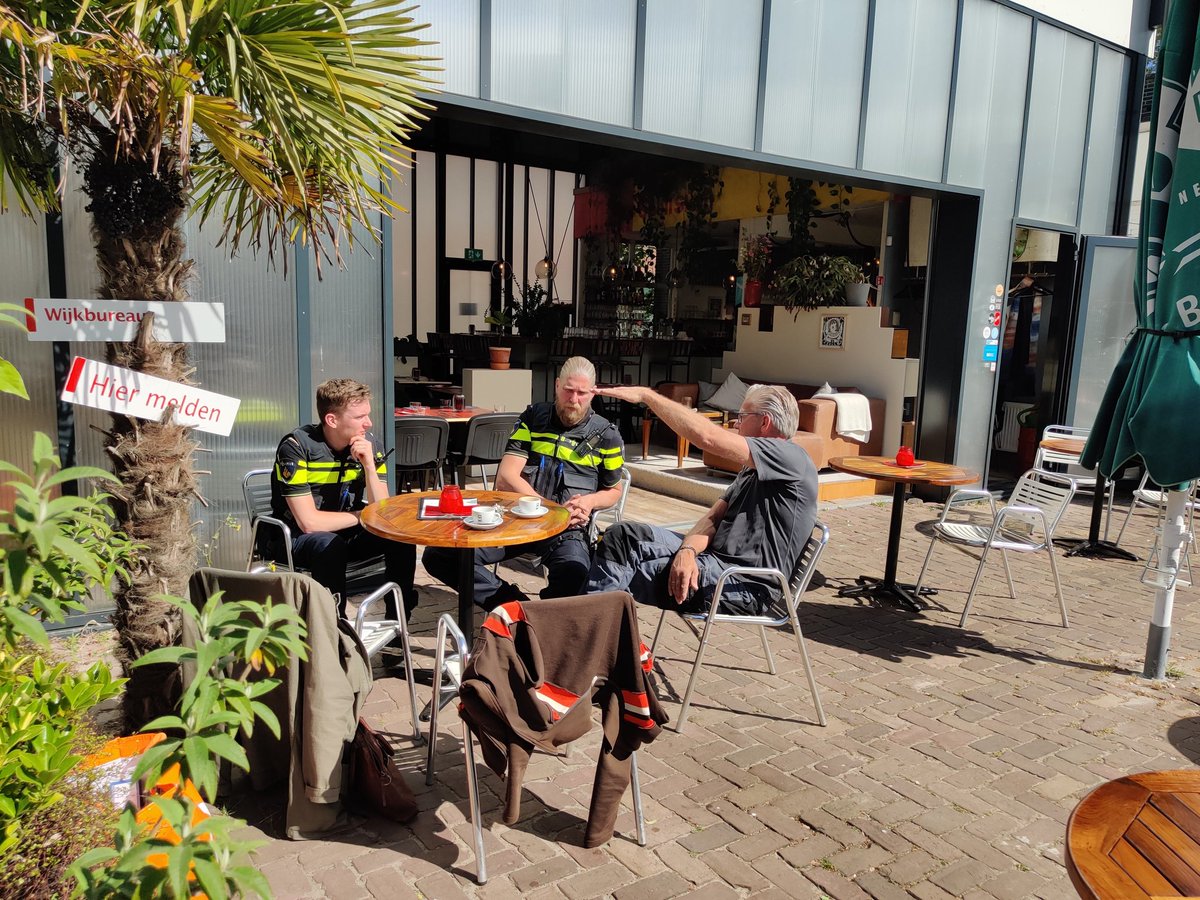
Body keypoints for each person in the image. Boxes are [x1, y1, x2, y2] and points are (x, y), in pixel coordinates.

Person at [584, 383, 817, 616]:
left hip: (743, 585)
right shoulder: (752, 469)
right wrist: (687, 551)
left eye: (743, 416)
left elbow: (708, 437)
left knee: (616, 568)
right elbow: (713, 517)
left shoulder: (791, 457)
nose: (736, 423)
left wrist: (648, 396)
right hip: (712, 561)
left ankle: (598, 638)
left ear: (764, 422)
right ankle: (606, 638)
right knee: (620, 537)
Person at [423, 356, 626, 606]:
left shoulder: (606, 435)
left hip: (567, 530)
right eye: (568, 390)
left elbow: (614, 489)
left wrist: (590, 500)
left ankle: (541, 621)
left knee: (574, 573)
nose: (574, 400)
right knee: (439, 556)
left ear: (593, 393)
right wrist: (549, 509)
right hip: (517, 521)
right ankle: (514, 607)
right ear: (557, 385)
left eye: (582, 393)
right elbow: (507, 476)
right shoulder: (533, 417)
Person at [269, 378, 417, 621]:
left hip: (344, 533)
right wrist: (362, 516)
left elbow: (384, 512)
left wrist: (369, 466)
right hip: (294, 538)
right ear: (332, 420)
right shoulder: (296, 447)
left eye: (368, 415)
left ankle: (397, 618)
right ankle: (336, 627)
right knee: (329, 545)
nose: (368, 423)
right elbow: (309, 523)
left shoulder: (368, 444)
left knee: (399, 535)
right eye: (360, 417)